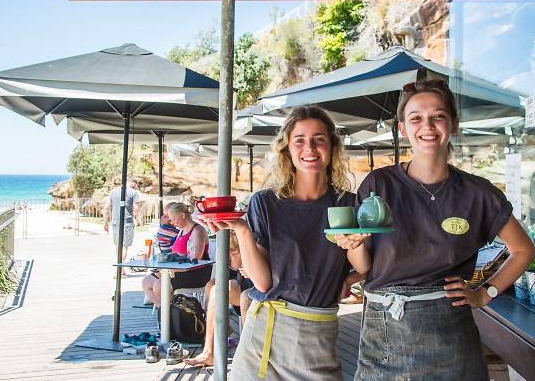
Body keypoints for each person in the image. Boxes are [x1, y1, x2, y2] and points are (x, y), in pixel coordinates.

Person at [353, 78, 535, 380]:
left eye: (438, 116)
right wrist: (352, 244)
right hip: (384, 327)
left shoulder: (479, 193)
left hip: (451, 334)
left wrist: (484, 293)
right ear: (403, 129)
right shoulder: (378, 185)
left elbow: (523, 250)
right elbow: (363, 265)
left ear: (454, 124)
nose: (428, 125)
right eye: (416, 118)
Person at [206, 106, 370, 380]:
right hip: (264, 335)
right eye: (300, 140)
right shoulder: (266, 202)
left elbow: (365, 263)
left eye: (319, 139)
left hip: (317, 336)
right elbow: (262, 283)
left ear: (332, 146)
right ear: (287, 149)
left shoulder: (347, 203)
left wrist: (349, 279)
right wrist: (243, 230)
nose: (310, 148)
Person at [185, 232, 253, 367]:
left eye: (230, 256)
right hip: (242, 286)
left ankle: (210, 351)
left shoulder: (248, 245)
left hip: (252, 289)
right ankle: (218, 335)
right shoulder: (237, 241)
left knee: (218, 291)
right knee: (211, 286)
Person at [141, 202, 213, 305]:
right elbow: (175, 255)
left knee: (159, 286)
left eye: (173, 219)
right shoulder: (181, 231)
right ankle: (167, 314)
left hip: (196, 273)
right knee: (146, 282)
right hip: (179, 271)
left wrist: (169, 270)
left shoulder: (197, 230)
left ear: (182, 215)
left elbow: (194, 261)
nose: (172, 223)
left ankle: (173, 315)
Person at [103, 177, 142, 275]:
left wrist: (105, 223)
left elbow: (106, 208)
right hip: (127, 222)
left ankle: (121, 267)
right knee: (125, 245)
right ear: (131, 182)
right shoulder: (133, 193)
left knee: (118, 245)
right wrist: (138, 220)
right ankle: (120, 268)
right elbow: (136, 208)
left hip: (115, 222)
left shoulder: (113, 192)